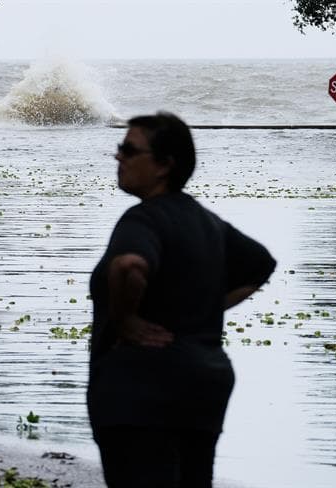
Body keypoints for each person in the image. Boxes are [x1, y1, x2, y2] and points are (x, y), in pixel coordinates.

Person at [87, 112, 276, 488]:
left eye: (129, 149)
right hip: (203, 388)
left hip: (140, 391)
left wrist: (124, 320)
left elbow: (128, 266)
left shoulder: (142, 220)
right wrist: (205, 306)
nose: (118, 157)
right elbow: (260, 265)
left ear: (163, 166)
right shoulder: (206, 221)